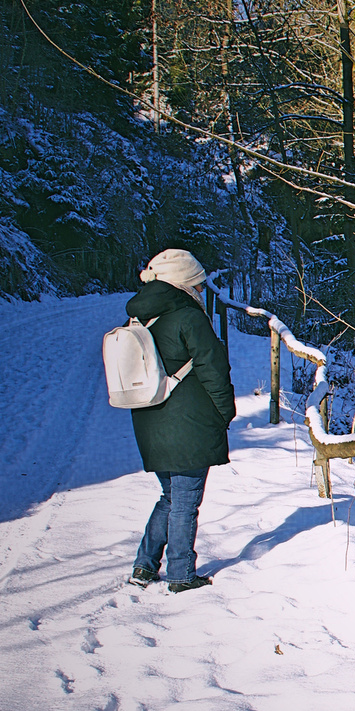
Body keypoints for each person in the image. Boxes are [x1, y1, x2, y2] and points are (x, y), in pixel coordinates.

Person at [126, 248, 236, 592]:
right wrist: (224, 412)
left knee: (171, 497)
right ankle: (181, 574)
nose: (202, 291)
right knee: (186, 502)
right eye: (198, 284)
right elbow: (214, 369)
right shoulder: (189, 317)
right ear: (183, 283)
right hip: (189, 422)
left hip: (150, 420)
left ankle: (144, 566)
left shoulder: (140, 316)